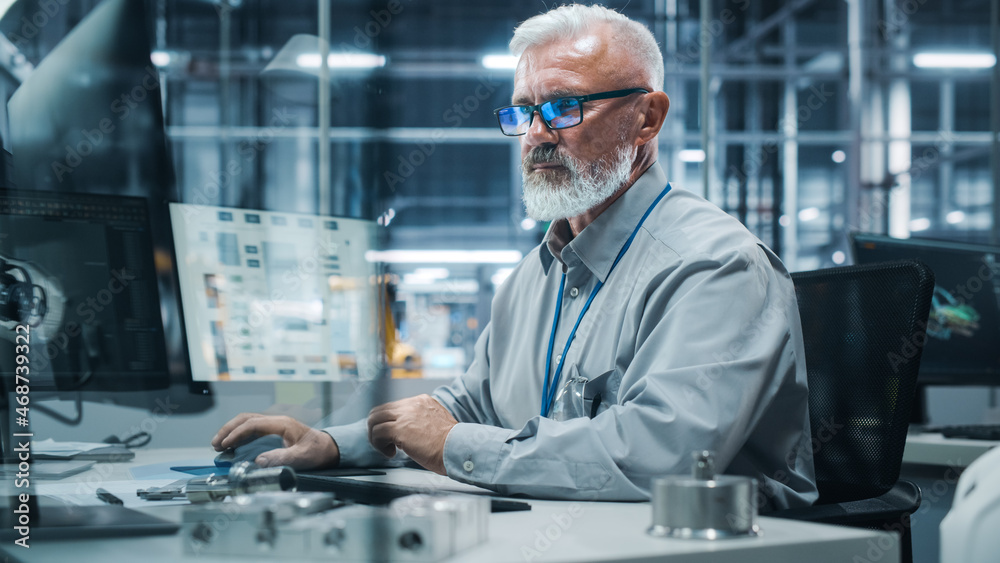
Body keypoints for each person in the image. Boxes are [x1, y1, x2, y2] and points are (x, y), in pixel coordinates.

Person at [213, 3, 818, 510]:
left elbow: (663, 458)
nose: (535, 134)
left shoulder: (715, 265)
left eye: (562, 107)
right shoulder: (538, 272)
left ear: (646, 118)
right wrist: (335, 443)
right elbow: (474, 403)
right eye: (524, 112)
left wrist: (453, 447)